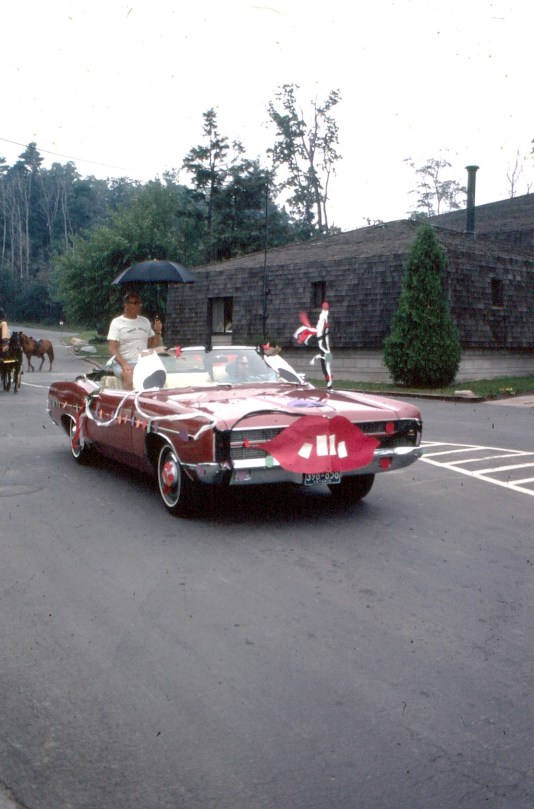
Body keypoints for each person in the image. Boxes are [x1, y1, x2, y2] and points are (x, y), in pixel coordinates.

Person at [107, 292, 163, 389]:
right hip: (122, 363)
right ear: (126, 305)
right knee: (129, 376)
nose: (139, 306)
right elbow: (112, 349)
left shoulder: (145, 321)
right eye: (135, 303)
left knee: (160, 375)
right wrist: (124, 365)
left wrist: (157, 332)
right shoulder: (117, 322)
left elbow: (153, 347)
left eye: (139, 303)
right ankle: (129, 399)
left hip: (142, 362)